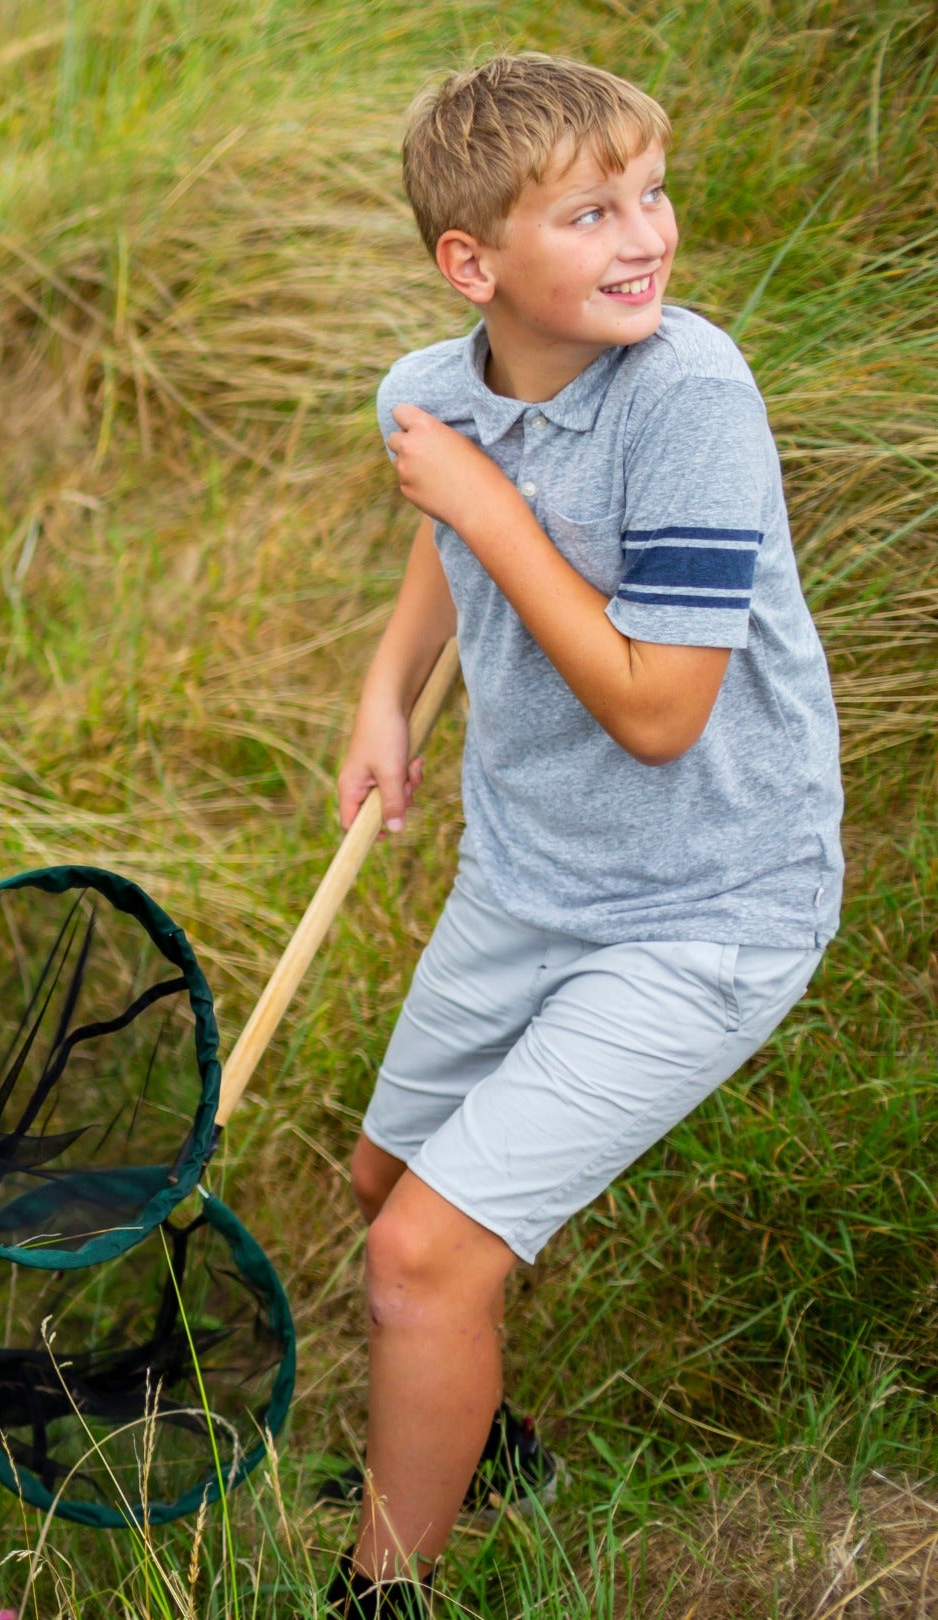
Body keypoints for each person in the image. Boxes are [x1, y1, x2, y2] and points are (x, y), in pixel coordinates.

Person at [323, 55, 839, 1617]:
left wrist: (487, 510)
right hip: (530, 873)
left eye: (652, 194)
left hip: (711, 901)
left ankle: (379, 1598)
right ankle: (478, 1437)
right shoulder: (433, 390)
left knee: (417, 1264)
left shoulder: (690, 394)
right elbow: (449, 522)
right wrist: (387, 687)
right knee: (380, 1188)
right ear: (473, 266)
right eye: (592, 211)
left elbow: (659, 710)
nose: (647, 239)